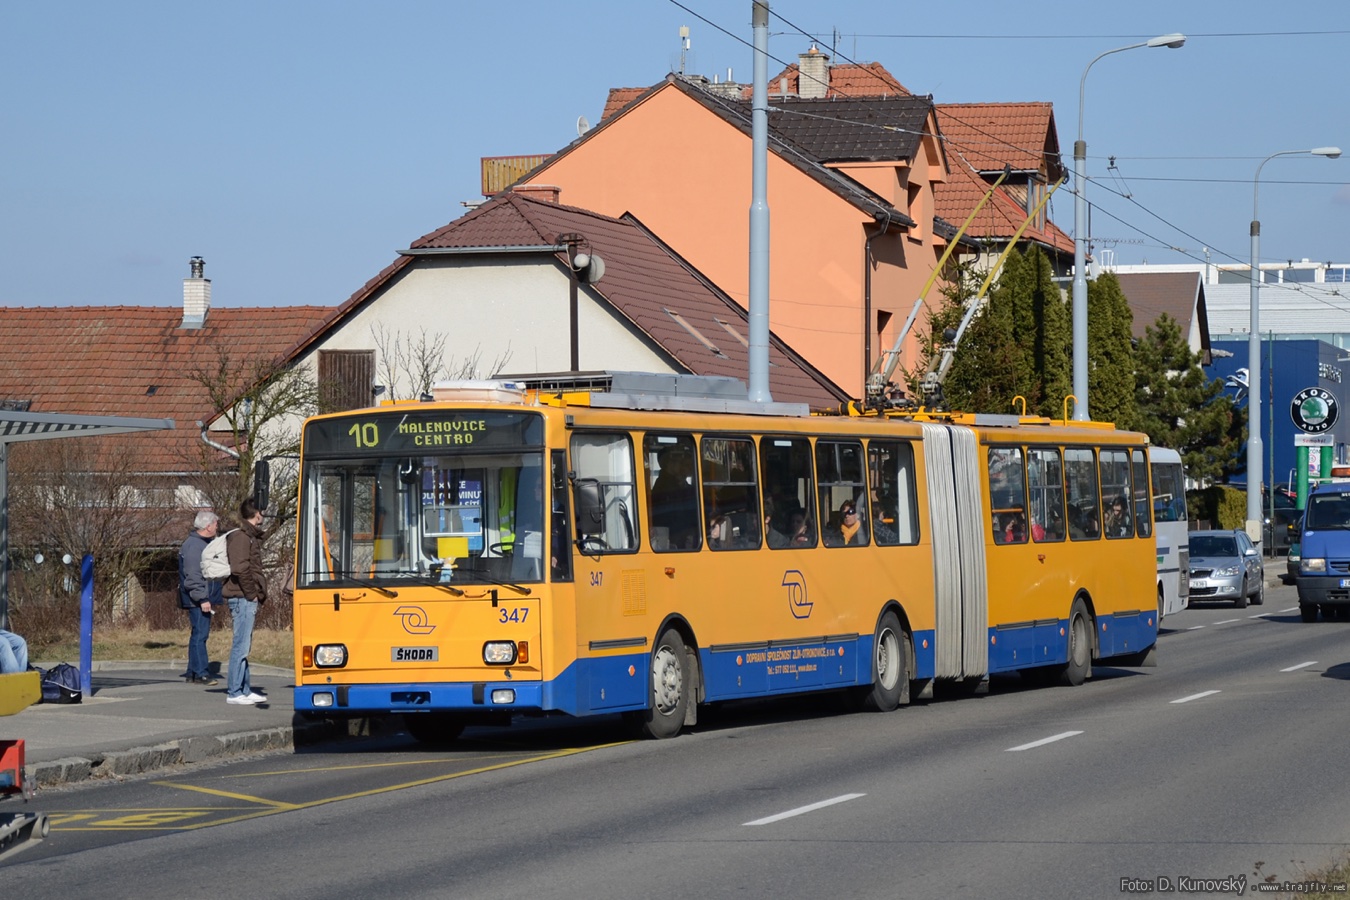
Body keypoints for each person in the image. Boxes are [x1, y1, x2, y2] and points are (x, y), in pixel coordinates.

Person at [221, 498, 268, 705]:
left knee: (244, 646)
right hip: (241, 598)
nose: (264, 515)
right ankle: (234, 692)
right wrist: (251, 593)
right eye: (262, 511)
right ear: (256, 513)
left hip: (244, 597)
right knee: (240, 646)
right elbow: (240, 568)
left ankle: (244, 689)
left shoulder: (248, 535)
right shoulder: (241, 536)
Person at [178, 509, 222, 686]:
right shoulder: (195, 546)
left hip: (198, 596)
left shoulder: (199, 544)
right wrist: (202, 598)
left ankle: (192, 672)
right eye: (215, 524)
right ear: (208, 526)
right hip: (197, 598)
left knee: (197, 634)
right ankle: (201, 673)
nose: (217, 527)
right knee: (200, 635)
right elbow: (193, 575)